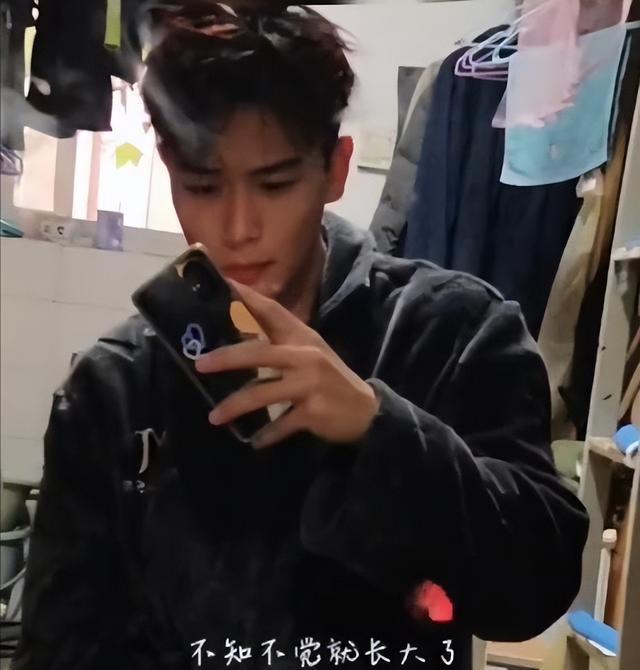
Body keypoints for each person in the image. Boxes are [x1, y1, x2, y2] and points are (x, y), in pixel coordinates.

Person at [13, 4, 589, 670]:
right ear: (168, 169)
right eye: (202, 186)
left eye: (275, 184)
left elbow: (536, 585)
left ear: (335, 170)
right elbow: (60, 646)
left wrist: (377, 429)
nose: (237, 229)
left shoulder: (451, 331)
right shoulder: (115, 384)